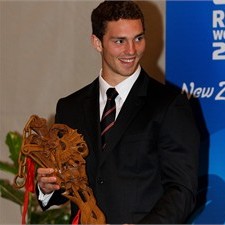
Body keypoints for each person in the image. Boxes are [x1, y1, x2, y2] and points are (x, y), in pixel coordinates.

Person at [36, 1, 199, 224]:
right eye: (120, 41)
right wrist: (47, 188)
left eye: (138, 38)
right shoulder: (69, 107)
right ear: (97, 42)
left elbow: (182, 189)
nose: (131, 50)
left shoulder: (169, 104)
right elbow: (68, 184)